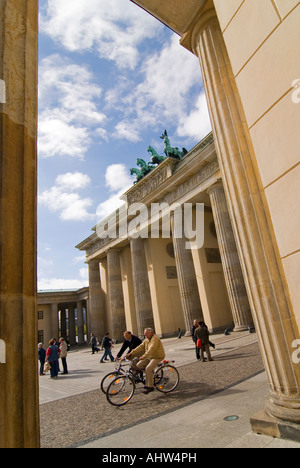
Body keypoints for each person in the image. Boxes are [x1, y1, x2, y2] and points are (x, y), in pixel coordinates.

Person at [127, 328, 165, 395]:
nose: (145, 335)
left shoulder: (155, 339)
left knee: (148, 369)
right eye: (145, 334)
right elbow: (140, 347)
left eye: (146, 333)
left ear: (151, 333)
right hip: (150, 357)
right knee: (139, 365)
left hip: (157, 357)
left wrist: (144, 356)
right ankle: (150, 375)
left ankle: (150, 387)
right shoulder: (147, 339)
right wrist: (131, 352)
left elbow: (152, 349)